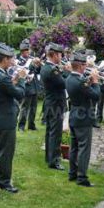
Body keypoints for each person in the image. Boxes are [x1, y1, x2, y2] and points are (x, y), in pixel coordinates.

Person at [0, 43, 26, 193]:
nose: (12, 61)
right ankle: (4, 182)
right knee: (6, 153)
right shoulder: (2, 77)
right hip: (6, 119)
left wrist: (12, 81)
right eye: (11, 59)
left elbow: (3, 90)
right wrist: (21, 79)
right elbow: (20, 94)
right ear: (5, 59)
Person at [66, 52, 100, 187]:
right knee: (84, 148)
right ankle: (82, 177)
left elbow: (84, 91)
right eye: (85, 64)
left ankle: (72, 173)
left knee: (74, 147)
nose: (86, 67)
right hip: (83, 116)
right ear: (80, 66)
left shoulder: (69, 78)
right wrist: (96, 82)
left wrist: (89, 83)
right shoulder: (80, 82)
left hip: (74, 114)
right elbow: (96, 96)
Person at [41, 42, 66, 171]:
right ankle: (54, 161)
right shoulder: (52, 70)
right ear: (54, 55)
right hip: (55, 104)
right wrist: (67, 72)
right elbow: (63, 84)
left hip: (50, 103)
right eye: (60, 54)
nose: (61, 56)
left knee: (50, 131)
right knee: (55, 133)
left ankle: (49, 157)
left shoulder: (47, 67)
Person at [17, 39, 42, 131]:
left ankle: (31, 125)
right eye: (26, 50)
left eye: (28, 50)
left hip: (34, 85)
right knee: (25, 107)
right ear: (22, 51)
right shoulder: (19, 60)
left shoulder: (31, 59)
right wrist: (32, 65)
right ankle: (21, 126)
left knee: (34, 107)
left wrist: (39, 65)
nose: (28, 52)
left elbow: (37, 72)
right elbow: (23, 71)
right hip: (26, 86)